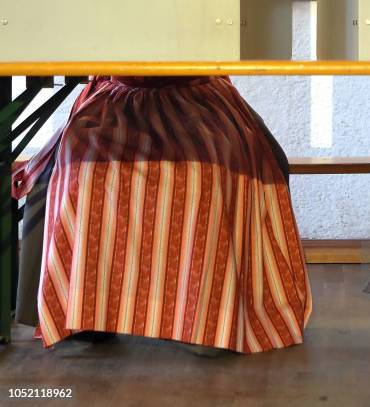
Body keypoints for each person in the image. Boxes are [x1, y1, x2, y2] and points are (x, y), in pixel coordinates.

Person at [13, 76, 312, 354]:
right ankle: (86, 311)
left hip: (198, 96)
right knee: (79, 167)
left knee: (207, 169)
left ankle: (203, 319)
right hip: (117, 99)